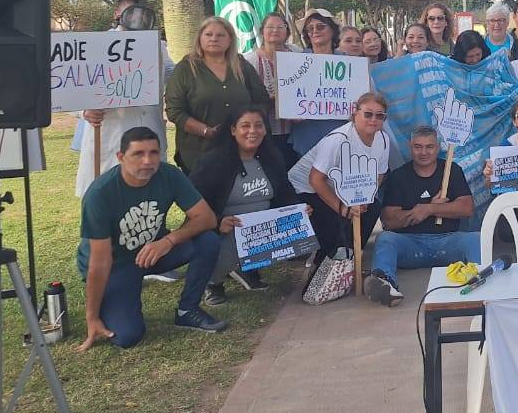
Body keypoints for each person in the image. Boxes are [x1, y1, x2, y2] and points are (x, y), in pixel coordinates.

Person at [77, 127, 228, 350]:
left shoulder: (169, 175)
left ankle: (187, 310)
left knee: (207, 240)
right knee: (127, 336)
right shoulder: (100, 194)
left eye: (154, 153)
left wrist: (168, 241)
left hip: (154, 251)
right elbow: (100, 262)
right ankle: (122, 296)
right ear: (121, 157)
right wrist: (92, 316)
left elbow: (206, 218)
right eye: (138, 154)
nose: (148, 161)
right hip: (116, 263)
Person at [189, 106, 297, 304]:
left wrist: (298, 210)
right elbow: (193, 200)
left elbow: (285, 191)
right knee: (226, 243)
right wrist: (217, 223)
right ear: (233, 130)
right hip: (226, 228)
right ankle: (212, 282)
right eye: (245, 126)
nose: (252, 131)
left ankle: (247, 268)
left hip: (260, 228)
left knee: (299, 228)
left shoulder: (272, 157)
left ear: (265, 130)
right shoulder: (214, 161)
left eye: (258, 126)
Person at [366, 126, 478, 305]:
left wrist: (429, 209)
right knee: (385, 239)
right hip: (411, 245)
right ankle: (385, 283)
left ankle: (479, 281)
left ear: (438, 147)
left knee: (475, 239)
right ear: (410, 147)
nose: (424, 152)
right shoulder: (399, 176)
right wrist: (418, 212)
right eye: (418, 147)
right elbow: (388, 221)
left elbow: (467, 208)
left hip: (447, 242)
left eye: (429, 147)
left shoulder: (451, 170)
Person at [76, 0, 174, 196]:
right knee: (109, 194)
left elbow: (172, 73)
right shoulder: (96, 44)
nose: (137, 18)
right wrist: (83, 111)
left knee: (149, 197)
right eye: (131, 12)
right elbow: (72, 84)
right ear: (117, 14)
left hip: (150, 130)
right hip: (111, 134)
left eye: (142, 14)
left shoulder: (157, 45)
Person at [288, 92, 391, 258]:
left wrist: (365, 198)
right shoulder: (338, 139)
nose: (373, 119)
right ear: (355, 112)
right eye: (368, 114)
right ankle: (326, 261)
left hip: (342, 187)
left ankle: (350, 256)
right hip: (305, 188)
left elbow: (379, 174)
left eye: (380, 116)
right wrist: (342, 208)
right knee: (334, 222)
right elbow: (315, 179)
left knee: (371, 209)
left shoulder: (384, 140)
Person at [164, 16, 270, 174]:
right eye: (208, 34)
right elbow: (175, 111)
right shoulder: (185, 68)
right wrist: (205, 131)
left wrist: (250, 127)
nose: (214, 39)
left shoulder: (242, 65)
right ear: (200, 38)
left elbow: (261, 100)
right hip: (199, 153)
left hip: (241, 151)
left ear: (230, 40)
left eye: (220, 35)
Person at [288, 10, 345, 159]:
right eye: (310, 28)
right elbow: (290, 98)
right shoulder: (296, 62)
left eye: (320, 26)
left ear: (332, 30)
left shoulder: (347, 61)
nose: (315, 31)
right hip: (307, 137)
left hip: (340, 136)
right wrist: (291, 112)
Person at [248, 11, 297, 164]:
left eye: (280, 27)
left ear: (287, 31)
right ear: (262, 31)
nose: (275, 30)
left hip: (296, 131)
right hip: (266, 132)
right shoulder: (250, 61)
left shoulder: (297, 53)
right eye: (270, 27)